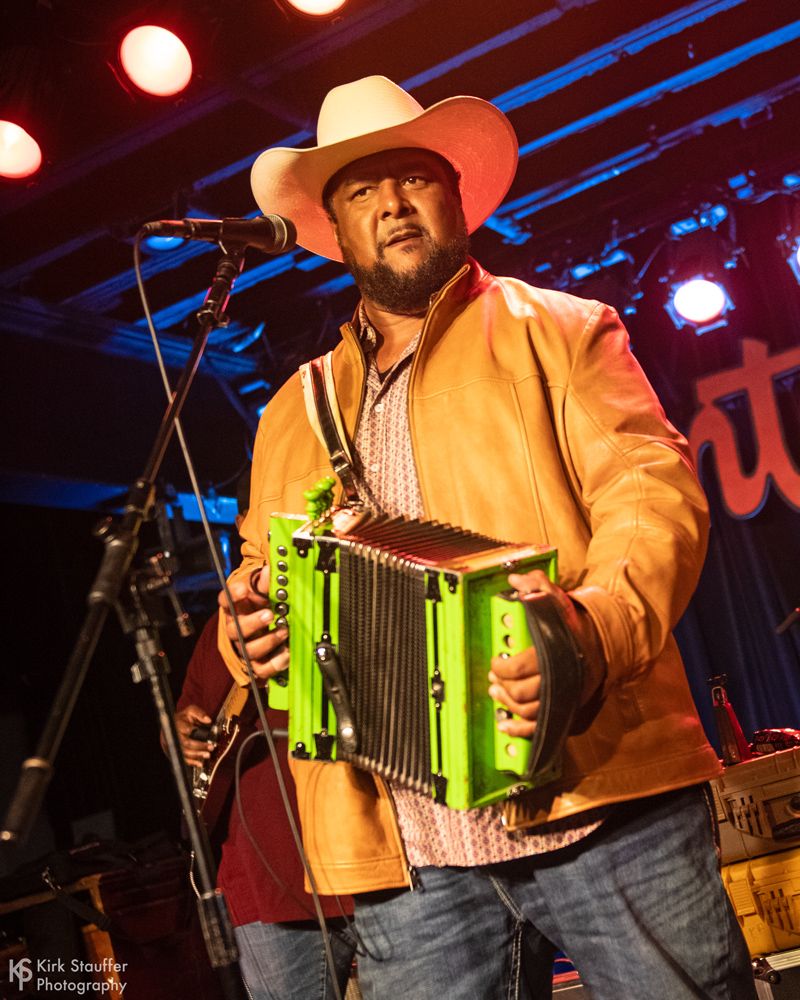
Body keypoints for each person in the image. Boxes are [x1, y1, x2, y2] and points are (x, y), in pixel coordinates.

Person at [215, 76, 756, 999]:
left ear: (456, 197)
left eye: (413, 178)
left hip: (599, 802)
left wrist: (588, 632)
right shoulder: (290, 411)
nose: (392, 203)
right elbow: (267, 576)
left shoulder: (566, 332)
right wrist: (247, 635)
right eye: (361, 190)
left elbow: (651, 496)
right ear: (335, 231)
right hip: (409, 852)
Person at [171, 471, 356, 1000]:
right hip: (269, 871)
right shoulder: (224, 622)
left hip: (364, 849)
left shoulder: (353, 587)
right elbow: (188, 717)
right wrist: (179, 735)